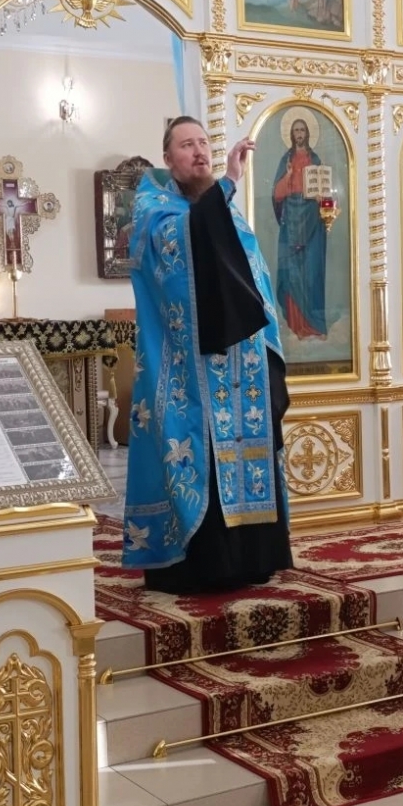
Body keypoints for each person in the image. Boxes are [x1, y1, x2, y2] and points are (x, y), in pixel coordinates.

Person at [123, 116, 292, 594]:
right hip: (187, 368)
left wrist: (270, 357)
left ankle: (252, 560)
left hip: (245, 364)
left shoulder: (228, 213)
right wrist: (229, 183)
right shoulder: (154, 208)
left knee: (250, 453)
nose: (198, 151)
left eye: (203, 143)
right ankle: (197, 566)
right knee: (199, 459)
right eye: (186, 145)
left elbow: (256, 281)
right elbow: (183, 243)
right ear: (168, 158)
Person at [272, 117, 327, 339]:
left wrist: (321, 196)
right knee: (293, 273)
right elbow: (277, 194)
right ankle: (297, 326)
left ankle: (313, 325)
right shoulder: (286, 160)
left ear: (307, 133)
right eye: (296, 130)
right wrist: (287, 175)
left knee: (311, 271)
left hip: (312, 219)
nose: (300, 134)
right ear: (292, 134)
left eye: (302, 130)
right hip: (292, 221)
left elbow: (324, 191)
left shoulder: (315, 159)